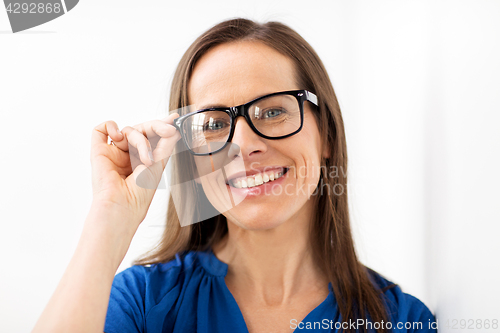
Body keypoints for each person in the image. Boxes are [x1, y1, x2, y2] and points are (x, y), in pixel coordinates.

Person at [32, 18, 436, 333]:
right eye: (212, 124)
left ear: (326, 134)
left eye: (273, 111)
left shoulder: (401, 320)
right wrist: (109, 216)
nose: (243, 144)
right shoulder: (143, 302)